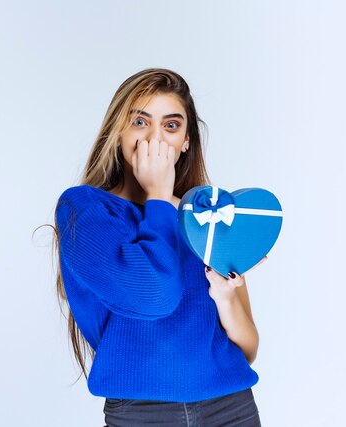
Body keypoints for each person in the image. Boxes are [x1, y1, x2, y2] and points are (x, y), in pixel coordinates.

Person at [52, 68, 266, 426]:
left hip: (232, 408)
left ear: (185, 141)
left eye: (171, 125)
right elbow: (153, 296)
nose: (156, 138)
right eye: (140, 121)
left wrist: (226, 298)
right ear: (117, 132)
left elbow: (247, 349)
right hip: (142, 414)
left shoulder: (207, 216)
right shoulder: (84, 209)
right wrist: (159, 197)